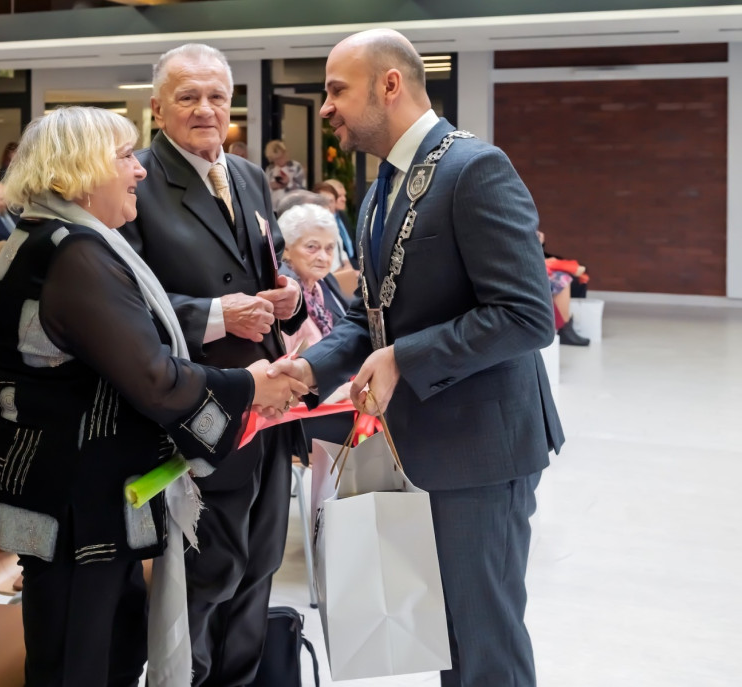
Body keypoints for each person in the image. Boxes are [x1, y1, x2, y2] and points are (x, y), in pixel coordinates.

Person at [269, 29, 564, 687]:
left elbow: (525, 314)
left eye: (336, 89)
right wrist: (312, 369)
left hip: (483, 449)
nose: (325, 107)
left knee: (481, 638)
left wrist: (406, 357)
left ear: (390, 85)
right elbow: (367, 315)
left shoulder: (474, 169)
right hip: (428, 445)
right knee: (447, 632)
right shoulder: (381, 187)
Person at [0, 106, 305, 687]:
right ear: (75, 174)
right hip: (78, 502)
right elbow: (153, 377)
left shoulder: (54, 238)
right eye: (124, 158)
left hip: (73, 489)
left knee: (105, 643)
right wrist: (252, 384)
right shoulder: (74, 254)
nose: (138, 172)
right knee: (85, 660)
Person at [121, 43, 307, 686]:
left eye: (217, 97)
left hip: (268, 406)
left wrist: (290, 298)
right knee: (206, 576)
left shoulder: (251, 176)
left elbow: (268, 270)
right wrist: (214, 315)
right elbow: (120, 302)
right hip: (197, 413)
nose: (206, 109)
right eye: (188, 96)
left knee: (258, 568)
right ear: (156, 108)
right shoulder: (136, 182)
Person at [277, 203, 354, 449]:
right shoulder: (283, 293)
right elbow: (285, 374)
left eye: (329, 248)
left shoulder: (321, 285)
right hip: (301, 417)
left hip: (333, 402)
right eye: (312, 247)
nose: (323, 257)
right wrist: (346, 389)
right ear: (287, 248)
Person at [313, 179, 356, 266]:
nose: (344, 199)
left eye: (344, 195)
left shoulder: (341, 217)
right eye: (340, 196)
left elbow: (344, 254)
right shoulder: (313, 228)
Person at [264, 138, 306, 206]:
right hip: (274, 208)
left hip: (292, 206)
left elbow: (302, 190)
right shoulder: (270, 169)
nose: (279, 161)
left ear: (285, 153)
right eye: (276, 159)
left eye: (281, 157)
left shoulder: (295, 167)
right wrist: (271, 187)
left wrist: (288, 183)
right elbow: (264, 192)